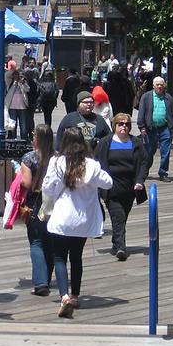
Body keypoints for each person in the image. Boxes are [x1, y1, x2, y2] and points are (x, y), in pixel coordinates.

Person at [42, 127, 113, 318]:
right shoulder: (91, 165)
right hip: (83, 220)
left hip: (63, 217)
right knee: (76, 257)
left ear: (63, 143)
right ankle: (74, 296)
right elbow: (108, 183)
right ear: (83, 143)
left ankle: (64, 296)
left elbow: (47, 188)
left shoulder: (57, 162)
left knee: (59, 258)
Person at [95, 113, 149, 260]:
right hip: (110, 188)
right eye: (120, 124)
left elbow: (144, 163)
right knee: (118, 215)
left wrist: (140, 180)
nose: (124, 126)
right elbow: (97, 163)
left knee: (122, 217)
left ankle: (115, 242)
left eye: (126, 124)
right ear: (115, 126)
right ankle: (121, 248)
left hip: (130, 189)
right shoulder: (105, 142)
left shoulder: (136, 142)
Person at [18, 125, 55, 296]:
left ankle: (41, 283)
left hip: (36, 201)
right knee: (50, 242)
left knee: (36, 241)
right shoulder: (57, 157)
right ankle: (46, 279)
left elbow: (26, 183)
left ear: (37, 139)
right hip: (55, 202)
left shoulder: (29, 158)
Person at [136, 76, 173, 182]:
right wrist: (142, 127)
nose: (159, 86)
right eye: (157, 84)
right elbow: (141, 113)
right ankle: (145, 171)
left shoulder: (168, 98)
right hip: (150, 129)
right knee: (149, 152)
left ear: (164, 86)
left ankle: (163, 172)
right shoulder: (146, 97)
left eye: (161, 84)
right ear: (153, 85)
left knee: (165, 152)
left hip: (165, 128)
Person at [4, 68, 31, 140]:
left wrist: (21, 82)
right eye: (15, 75)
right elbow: (6, 75)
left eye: (17, 75)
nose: (16, 76)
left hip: (22, 107)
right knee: (13, 125)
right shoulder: (10, 82)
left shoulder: (22, 82)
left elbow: (27, 89)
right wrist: (14, 71)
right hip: (12, 107)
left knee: (23, 126)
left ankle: (24, 140)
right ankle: (13, 140)